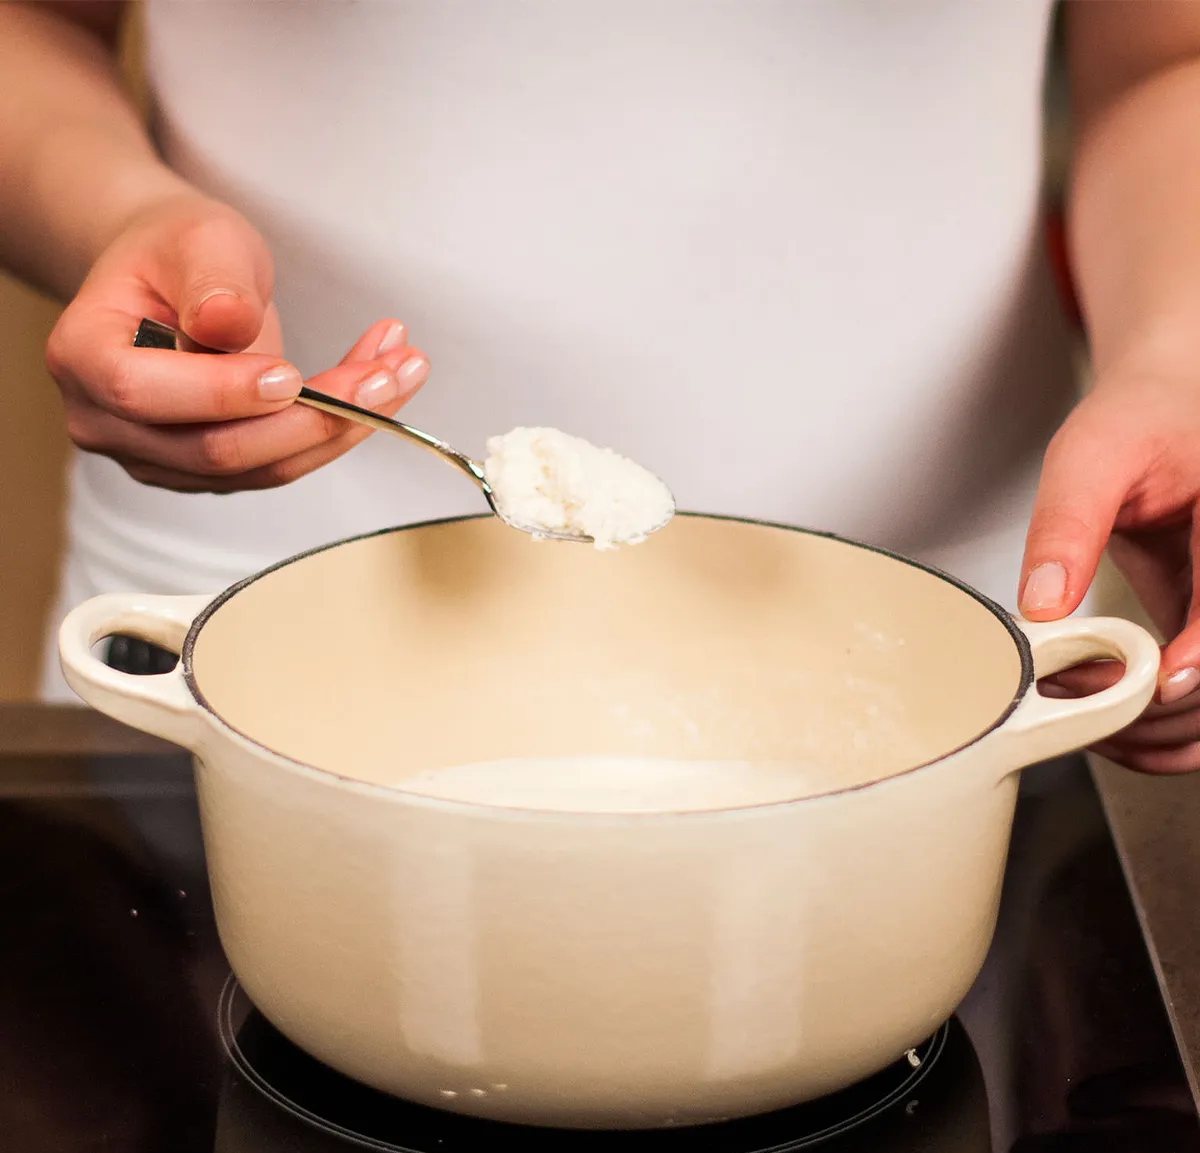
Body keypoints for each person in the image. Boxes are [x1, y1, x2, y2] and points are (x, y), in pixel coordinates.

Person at [2, 1, 1199, 772]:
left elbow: (1162, 57)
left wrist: (1174, 350)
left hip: (958, 662)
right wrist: (120, 219)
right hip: (238, 655)